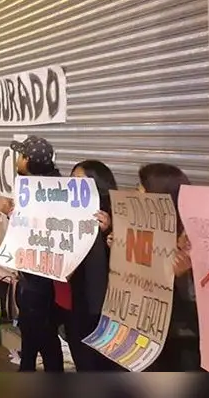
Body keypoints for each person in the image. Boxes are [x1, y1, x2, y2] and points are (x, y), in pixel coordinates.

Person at [0, 135, 65, 372]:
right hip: (29, 272)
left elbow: (42, 227)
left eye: (21, 155)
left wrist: (11, 213)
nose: (17, 159)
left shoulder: (50, 189)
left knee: (43, 332)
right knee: (28, 326)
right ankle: (26, 366)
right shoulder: (31, 185)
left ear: (28, 159)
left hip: (42, 276)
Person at [130, 163, 200, 372]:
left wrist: (182, 275)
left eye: (140, 188)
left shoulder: (192, 235)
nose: (134, 193)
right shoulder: (136, 227)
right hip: (147, 332)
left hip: (182, 337)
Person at [63, 159, 120, 371]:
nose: (73, 187)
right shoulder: (64, 212)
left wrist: (110, 231)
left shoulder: (115, 215)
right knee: (81, 355)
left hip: (105, 307)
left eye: (80, 181)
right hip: (75, 300)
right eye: (72, 181)